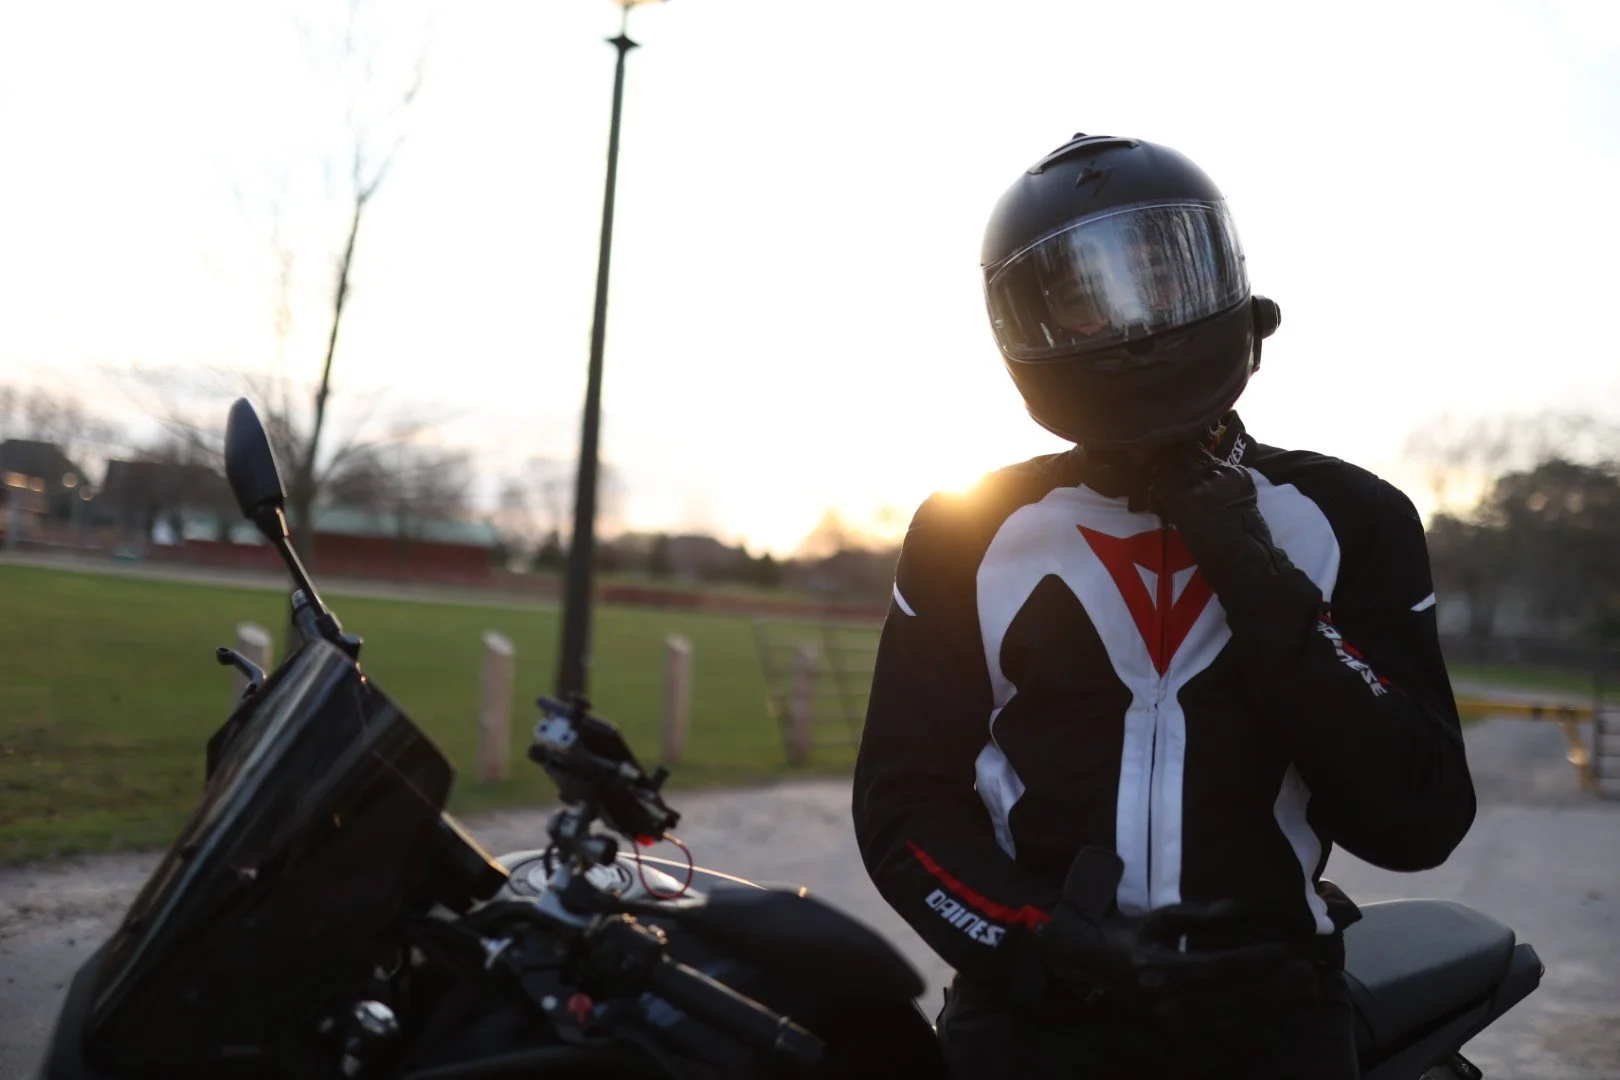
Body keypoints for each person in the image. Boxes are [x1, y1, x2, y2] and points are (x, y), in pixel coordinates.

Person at [851, 133, 1477, 1079]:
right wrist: (1039, 938)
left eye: (1158, 273)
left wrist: (1257, 575)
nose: (1133, 318)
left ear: (1226, 284)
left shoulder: (1353, 517)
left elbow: (1418, 820)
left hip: (1273, 1013)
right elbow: (902, 805)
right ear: (1031, 327)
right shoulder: (966, 531)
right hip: (1032, 1014)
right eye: (1084, 295)